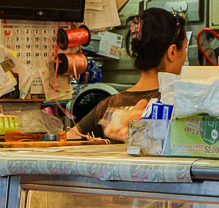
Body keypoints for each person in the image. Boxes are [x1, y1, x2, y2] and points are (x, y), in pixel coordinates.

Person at [70, 8, 187, 140]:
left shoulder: (109, 105)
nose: (185, 55)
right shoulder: (177, 104)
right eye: (185, 48)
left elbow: (69, 139)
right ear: (172, 52)